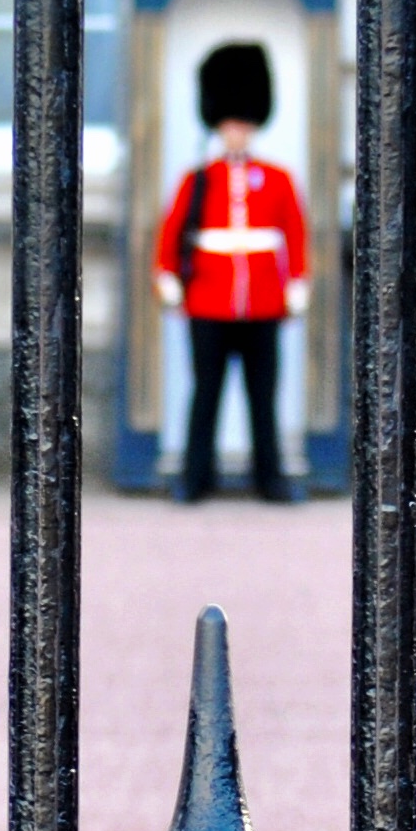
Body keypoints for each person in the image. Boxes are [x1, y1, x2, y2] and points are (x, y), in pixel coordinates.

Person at [154, 42, 310, 504]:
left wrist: (297, 281)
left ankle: (271, 477)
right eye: (229, 125)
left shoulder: (276, 178)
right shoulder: (198, 179)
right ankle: (194, 477)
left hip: (263, 301)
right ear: (219, 126)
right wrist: (166, 275)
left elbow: (295, 232)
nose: (236, 133)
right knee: (206, 395)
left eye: (242, 125)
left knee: (263, 397)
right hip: (209, 300)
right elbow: (171, 231)